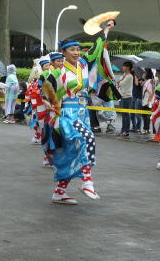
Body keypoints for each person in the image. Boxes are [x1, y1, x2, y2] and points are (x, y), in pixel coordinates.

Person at [42, 21, 120, 205]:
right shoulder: (58, 72)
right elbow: (46, 91)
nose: (77, 53)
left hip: (82, 112)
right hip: (66, 114)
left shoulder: (84, 65)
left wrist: (106, 30)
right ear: (63, 53)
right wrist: (50, 105)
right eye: (72, 50)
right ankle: (87, 181)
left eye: (78, 49)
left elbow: (97, 48)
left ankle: (59, 192)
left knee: (74, 151)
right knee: (88, 138)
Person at [117, 61, 134, 137]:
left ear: (128, 67)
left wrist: (119, 82)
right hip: (122, 97)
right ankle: (123, 129)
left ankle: (126, 131)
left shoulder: (130, 76)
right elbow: (118, 82)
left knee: (126, 115)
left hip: (127, 97)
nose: (122, 67)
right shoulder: (124, 75)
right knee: (123, 115)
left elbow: (120, 83)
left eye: (124, 66)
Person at [141, 68, 155, 135]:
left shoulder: (150, 81)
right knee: (144, 115)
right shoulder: (147, 81)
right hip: (145, 99)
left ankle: (146, 129)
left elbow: (151, 92)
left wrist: (148, 101)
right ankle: (146, 128)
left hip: (148, 100)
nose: (144, 74)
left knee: (146, 116)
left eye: (145, 73)